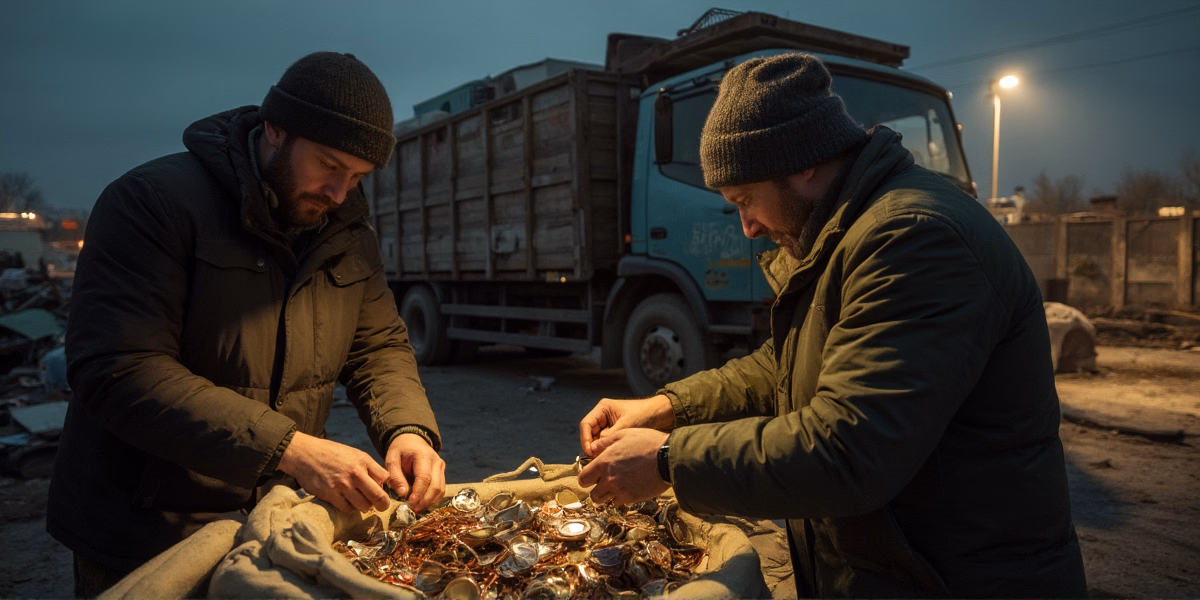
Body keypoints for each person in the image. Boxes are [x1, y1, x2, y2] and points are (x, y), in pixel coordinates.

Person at [578, 53, 1087, 598]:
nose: (747, 227)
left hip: (958, 580)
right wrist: (669, 407)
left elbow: (850, 451)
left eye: (746, 199)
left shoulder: (912, 239)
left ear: (804, 162)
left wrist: (667, 461)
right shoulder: (846, 234)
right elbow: (786, 364)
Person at [48, 52, 446, 596]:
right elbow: (117, 369)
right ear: (275, 129)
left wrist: (408, 429)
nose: (339, 194)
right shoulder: (152, 204)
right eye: (330, 166)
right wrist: (294, 450)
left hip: (270, 521)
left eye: (357, 177)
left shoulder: (348, 232)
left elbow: (377, 347)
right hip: (144, 531)